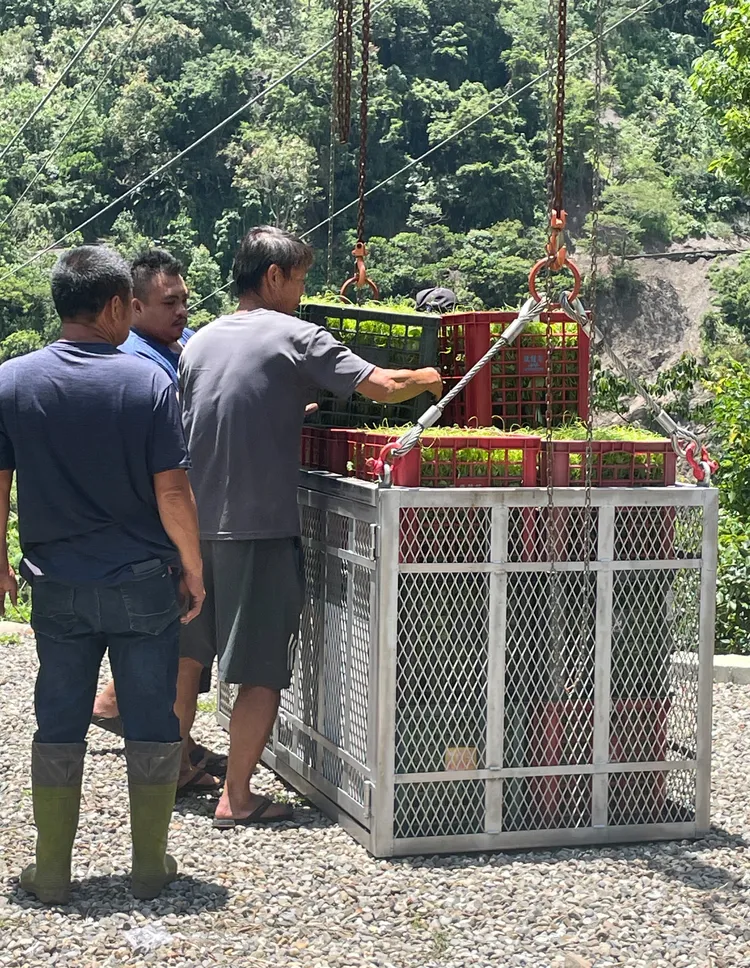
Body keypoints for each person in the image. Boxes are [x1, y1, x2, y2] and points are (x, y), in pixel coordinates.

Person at [178, 225, 443, 827]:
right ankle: (236, 797)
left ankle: (167, 770)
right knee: (263, 666)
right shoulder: (298, 335)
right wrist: (431, 378)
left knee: (186, 659)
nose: (302, 293)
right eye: (298, 279)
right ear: (273, 277)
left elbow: (218, 410)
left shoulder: (202, 340)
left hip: (193, 526)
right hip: (259, 527)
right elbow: (382, 386)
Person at [0, 245, 205, 903]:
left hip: (56, 585)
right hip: (143, 583)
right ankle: (149, 868)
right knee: (152, 719)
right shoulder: (148, 383)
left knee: (58, 719)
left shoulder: (13, 381)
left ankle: (53, 873)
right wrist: (194, 568)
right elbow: (173, 492)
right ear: (117, 305)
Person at [90, 248, 223, 794]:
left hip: (170, 512)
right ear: (132, 307)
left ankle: (131, 713)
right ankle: (169, 753)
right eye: (169, 303)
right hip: (157, 518)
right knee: (172, 641)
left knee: (171, 639)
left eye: (186, 300)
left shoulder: (179, 346)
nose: (182, 311)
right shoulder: (142, 365)